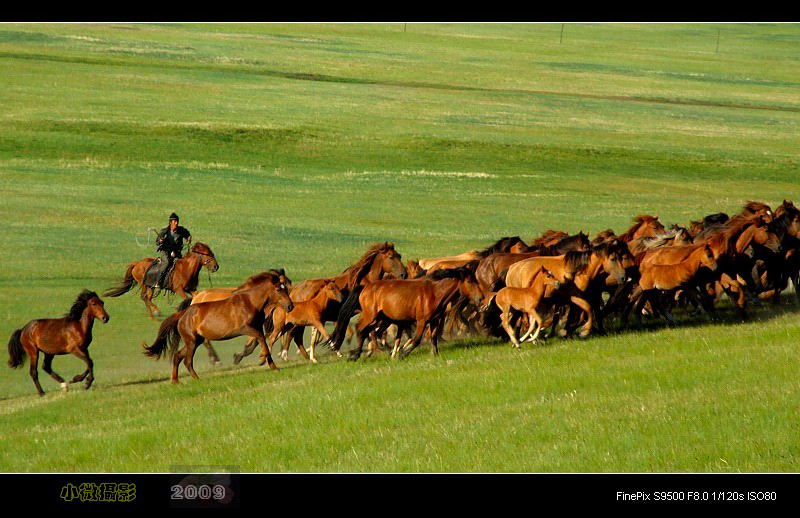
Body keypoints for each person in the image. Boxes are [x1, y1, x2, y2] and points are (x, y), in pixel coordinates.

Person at [153, 213, 192, 289]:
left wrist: (189, 238)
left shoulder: (181, 230)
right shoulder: (164, 231)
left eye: (177, 221)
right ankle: (158, 281)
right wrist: (160, 241)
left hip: (177, 252)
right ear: (170, 222)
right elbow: (157, 242)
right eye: (174, 222)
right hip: (165, 251)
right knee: (167, 262)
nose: (176, 223)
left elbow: (187, 234)